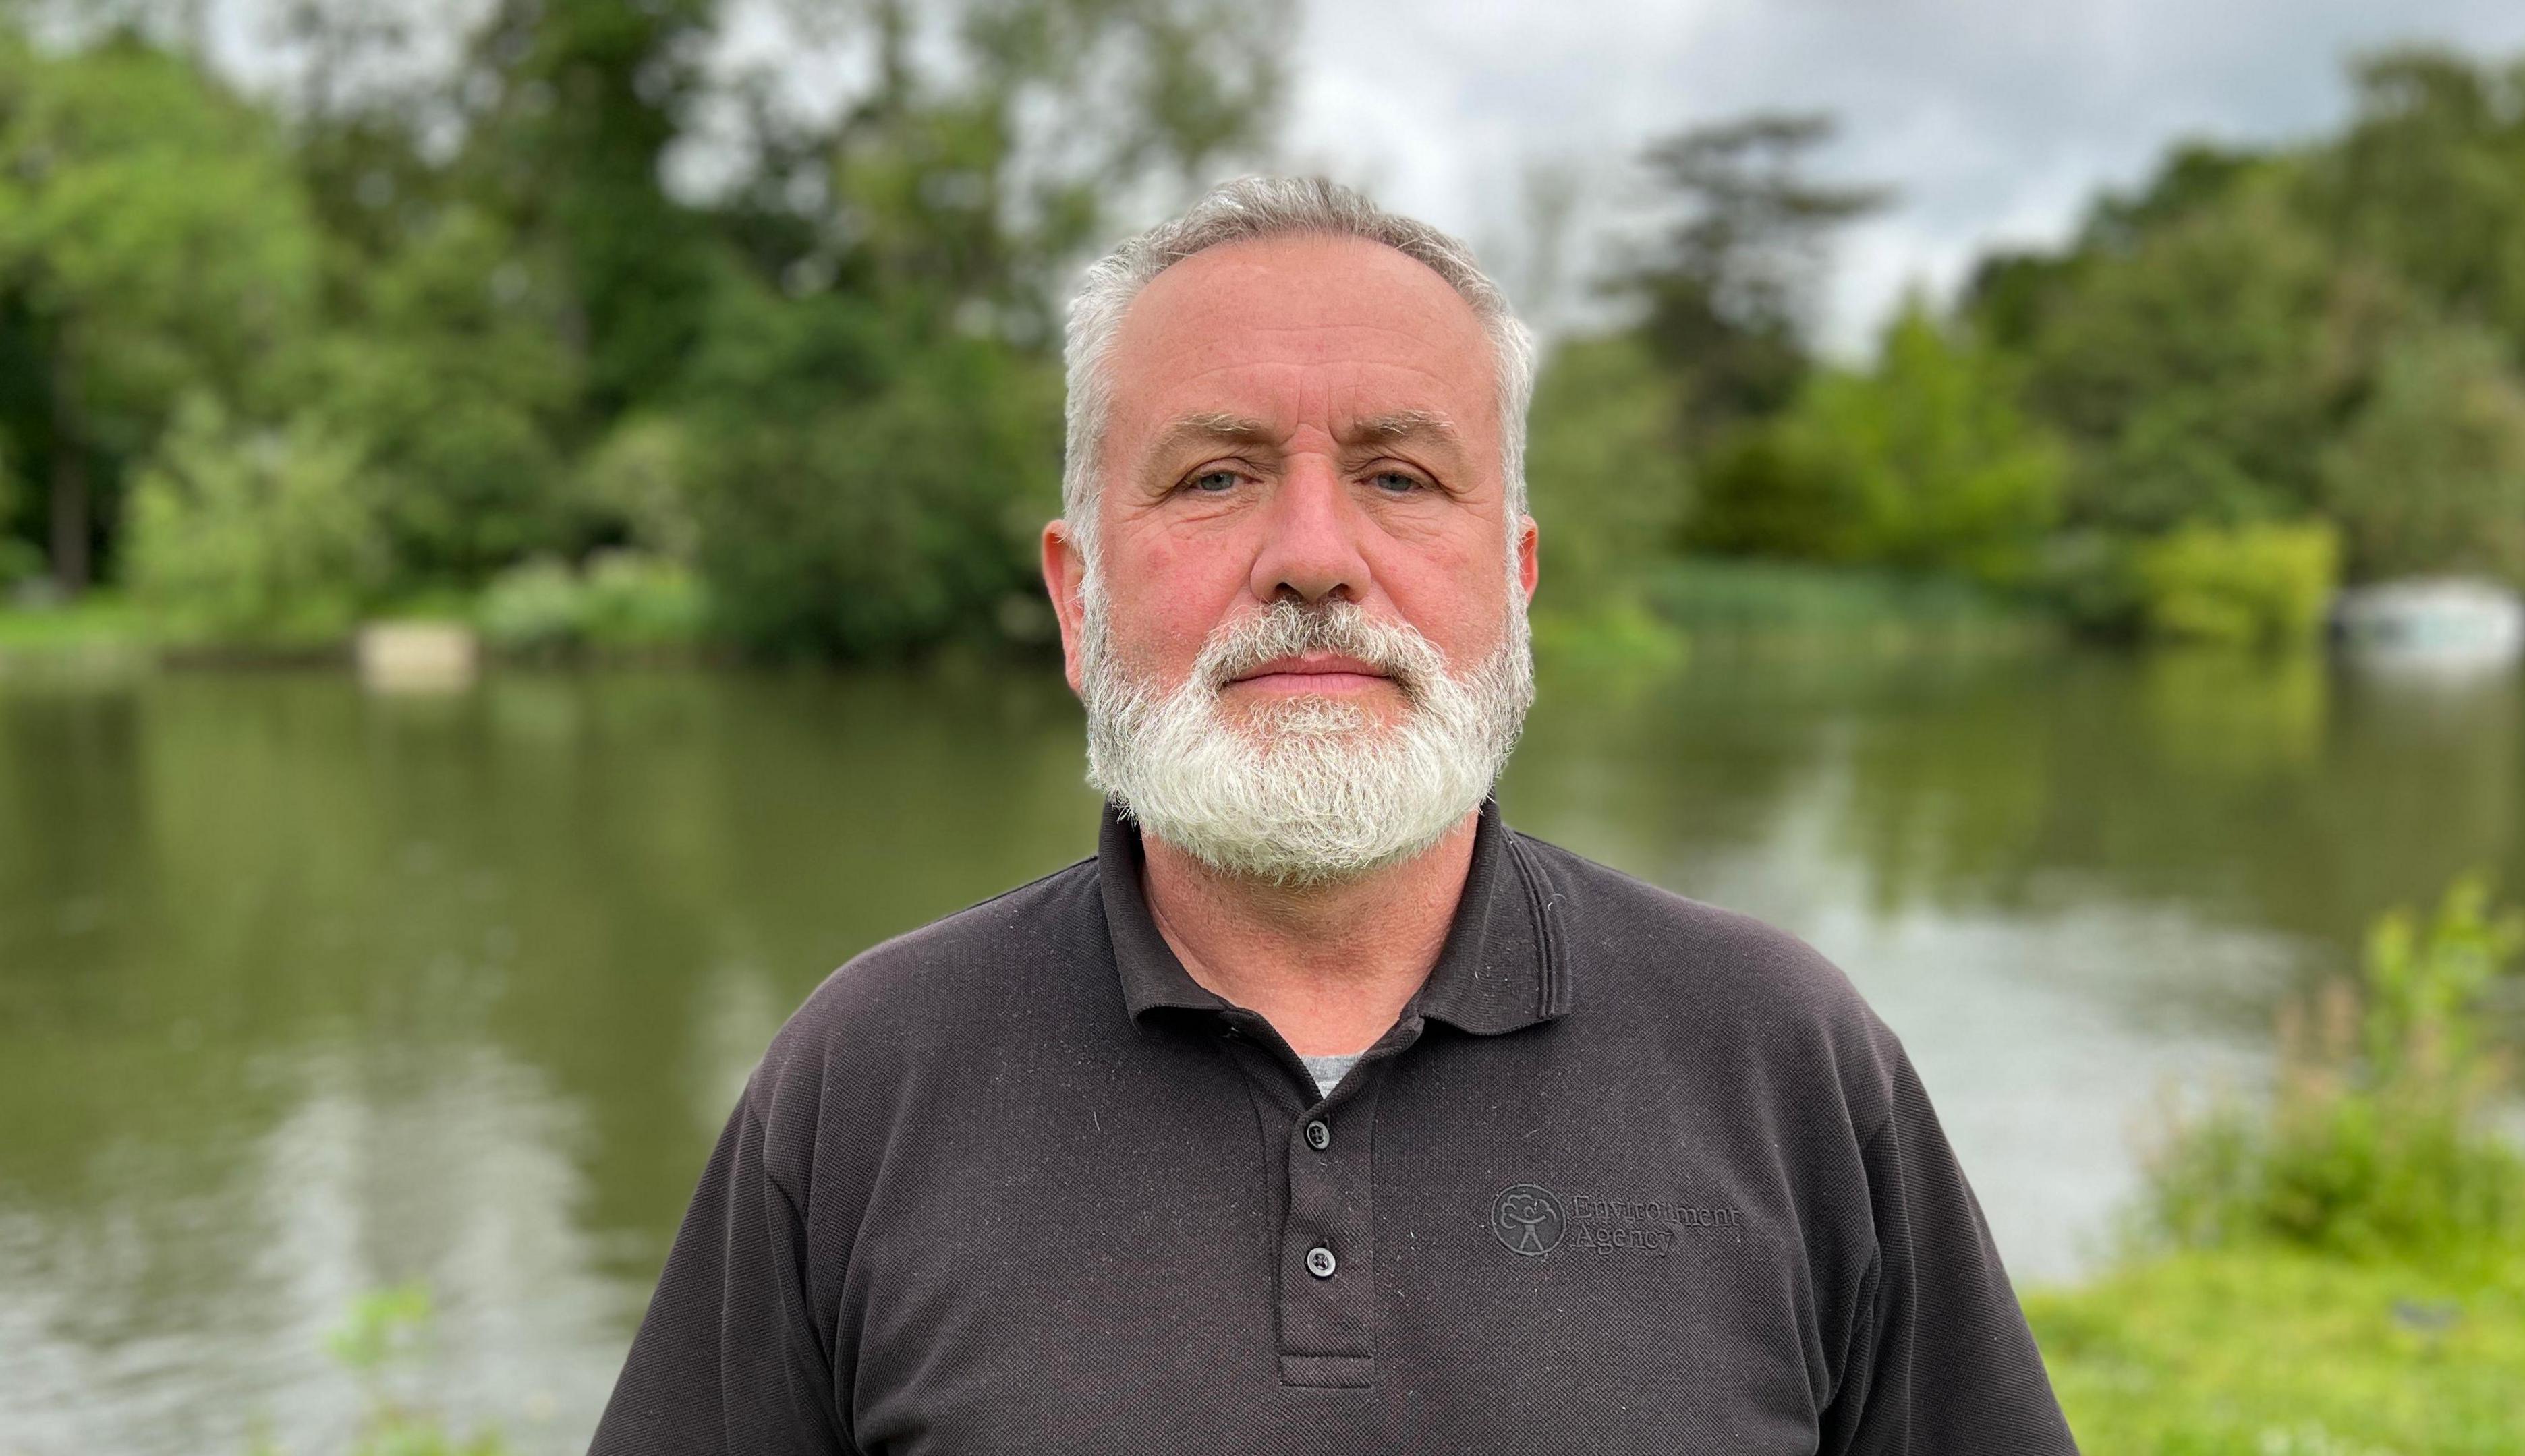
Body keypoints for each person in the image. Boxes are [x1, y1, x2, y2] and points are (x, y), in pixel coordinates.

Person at [588, 176, 2076, 1454]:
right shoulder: (861, 1085)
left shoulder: (1787, 1063)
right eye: (1218, 473)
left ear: (1518, 580)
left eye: (1401, 475)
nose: (1313, 557)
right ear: (1075, 592)